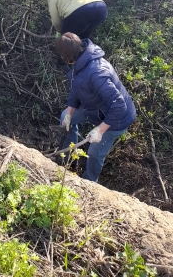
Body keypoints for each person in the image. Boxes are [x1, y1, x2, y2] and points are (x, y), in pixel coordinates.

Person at [57, 32, 136, 183]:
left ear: (69, 56)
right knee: (64, 118)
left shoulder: (97, 72)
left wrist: (100, 130)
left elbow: (119, 105)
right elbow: (76, 89)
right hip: (94, 110)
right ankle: (67, 158)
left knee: (94, 152)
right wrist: (69, 113)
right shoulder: (76, 65)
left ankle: (90, 181)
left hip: (116, 119)